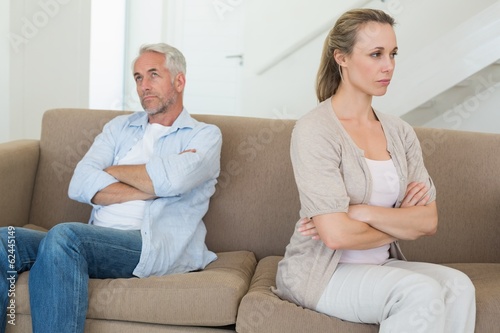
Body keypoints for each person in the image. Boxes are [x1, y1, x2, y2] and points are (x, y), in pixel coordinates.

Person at [273, 8, 476, 333]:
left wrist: (360, 211)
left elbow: (428, 220)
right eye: (376, 54)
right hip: (322, 274)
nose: (389, 66)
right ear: (342, 57)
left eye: (393, 54)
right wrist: (402, 224)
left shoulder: (400, 132)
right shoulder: (315, 130)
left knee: (459, 286)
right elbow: (336, 235)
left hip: (381, 264)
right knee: (419, 292)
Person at [0, 43, 222, 332]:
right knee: (6, 239)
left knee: (65, 236)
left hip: (149, 244)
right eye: (138, 77)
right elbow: (79, 183)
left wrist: (110, 175)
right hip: (96, 239)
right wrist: (154, 184)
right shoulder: (120, 127)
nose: (144, 85)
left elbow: (176, 181)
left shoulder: (204, 135)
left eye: (153, 74)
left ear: (179, 81)